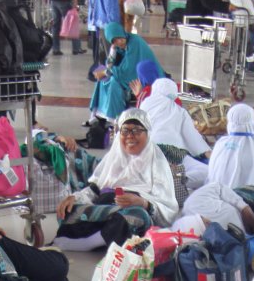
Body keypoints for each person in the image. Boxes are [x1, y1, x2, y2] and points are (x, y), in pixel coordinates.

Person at [56, 108, 178, 246]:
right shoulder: (114, 157)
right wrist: (75, 198)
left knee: (137, 217)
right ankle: (105, 236)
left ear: (147, 134)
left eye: (137, 130)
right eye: (125, 130)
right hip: (104, 210)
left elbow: (168, 209)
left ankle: (90, 242)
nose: (130, 136)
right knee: (68, 209)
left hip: (129, 212)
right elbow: (94, 190)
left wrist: (142, 202)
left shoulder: (157, 162)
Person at [140, 77, 210, 189]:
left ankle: (161, 180)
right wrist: (209, 153)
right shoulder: (179, 111)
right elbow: (193, 139)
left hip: (146, 152)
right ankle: (173, 180)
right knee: (207, 173)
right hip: (172, 152)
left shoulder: (144, 105)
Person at [88, 22, 163, 123]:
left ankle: (114, 117)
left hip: (143, 77)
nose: (119, 42)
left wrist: (105, 72)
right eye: (114, 41)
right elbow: (110, 65)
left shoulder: (135, 42)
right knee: (103, 80)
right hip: (129, 74)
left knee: (114, 82)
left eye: (119, 38)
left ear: (123, 33)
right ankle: (99, 113)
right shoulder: (119, 47)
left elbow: (128, 69)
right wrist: (113, 50)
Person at [206, 103, 254, 193]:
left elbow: (212, 175)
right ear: (252, 121)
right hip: (250, 201)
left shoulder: (221, 144)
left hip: (218, 198)